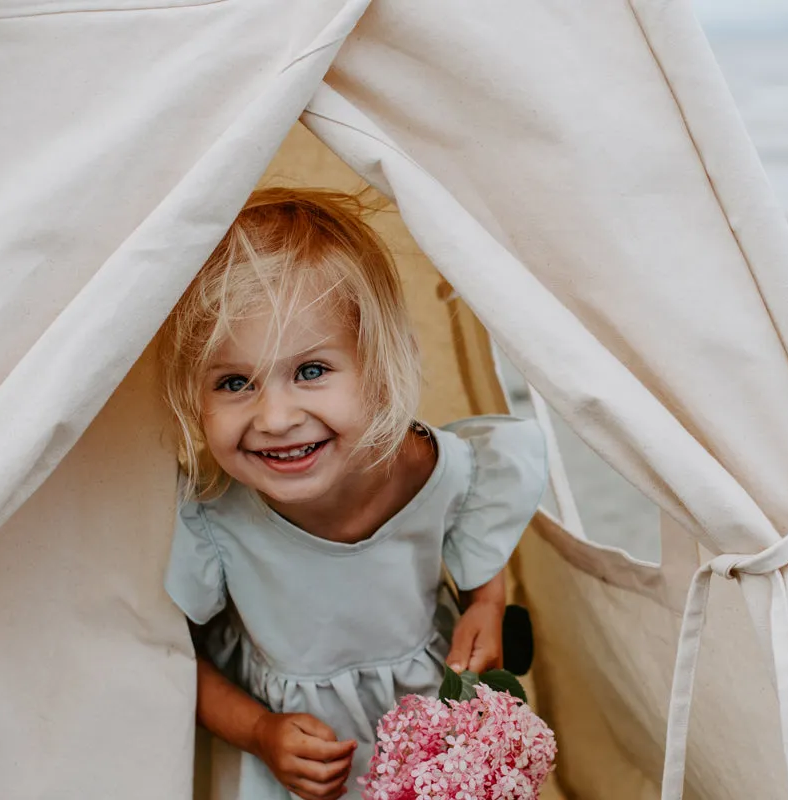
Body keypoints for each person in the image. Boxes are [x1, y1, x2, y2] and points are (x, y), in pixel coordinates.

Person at [159, 187, 547, 800]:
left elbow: (473, 533)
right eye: (235, 382)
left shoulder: (430, 468)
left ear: (376, 364)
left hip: (428, 739)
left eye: (311, 371)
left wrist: (485, 605)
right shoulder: (212, 519)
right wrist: (261, 731)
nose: (277, 416)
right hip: (297, 757)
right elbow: (174, 658)